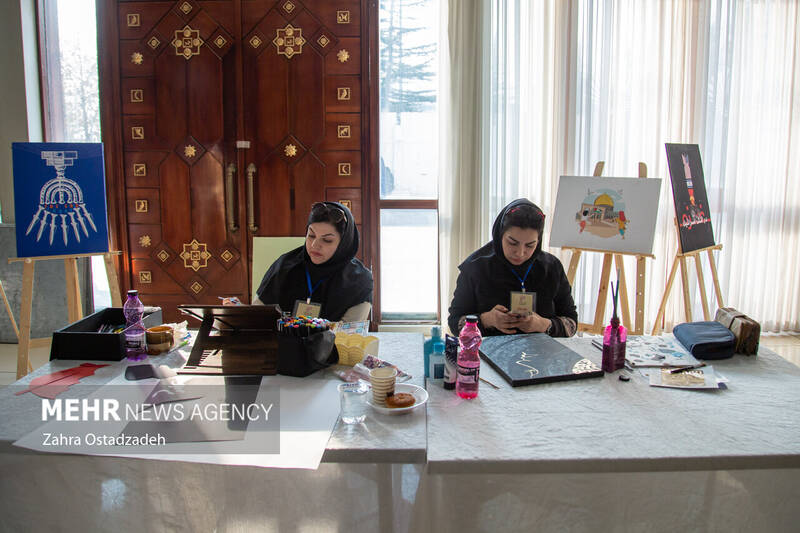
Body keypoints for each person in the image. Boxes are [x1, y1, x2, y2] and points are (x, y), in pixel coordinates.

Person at [448, 198, 577, 337]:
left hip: (542, 353)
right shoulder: (476, 267)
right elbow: (455, 323)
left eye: (530, 245)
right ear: (500, 235)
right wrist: (486, 320)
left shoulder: (552, 268)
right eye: (512, 243)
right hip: (489, 354)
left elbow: (572, 323)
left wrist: (543, 324)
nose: (520, 253)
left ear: (538, 242)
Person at [255, 201, 373, 322]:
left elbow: (348, 336)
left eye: (327, 240)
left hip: (334, 341)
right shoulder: (284, 266)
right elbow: (256, 317)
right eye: (311, 235)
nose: (314, 245)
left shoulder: (359, 281)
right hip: (278, 340)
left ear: (344, 244)